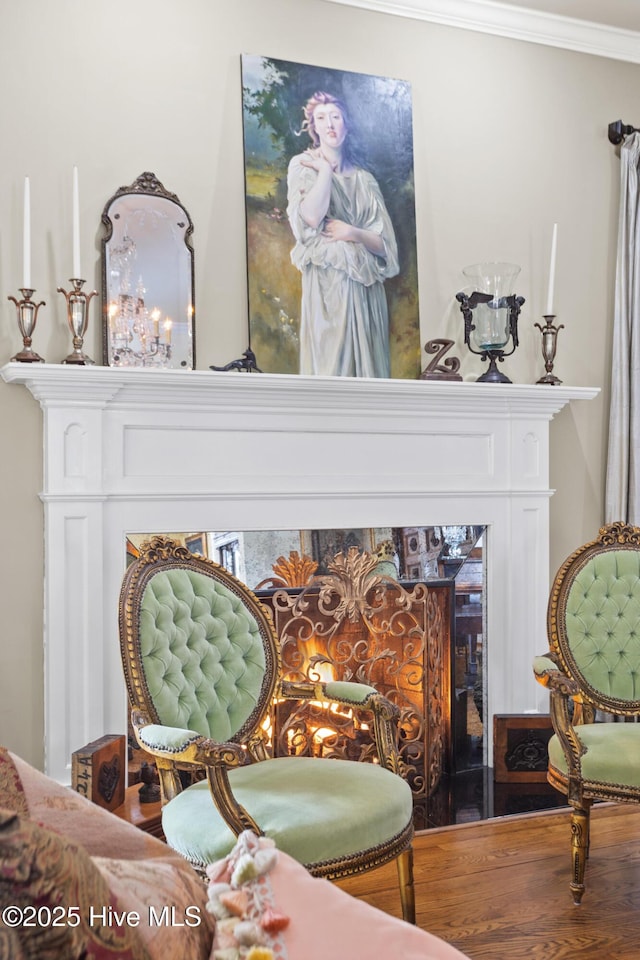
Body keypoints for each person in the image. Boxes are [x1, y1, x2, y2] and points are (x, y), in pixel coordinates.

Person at [286, 91, 399, 377]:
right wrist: (324, 171)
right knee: (330, 372)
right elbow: (311, 216)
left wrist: (353, 232)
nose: (330, 124)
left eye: (336, 117)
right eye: (321, 118)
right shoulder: (304, 166)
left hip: (366, 291)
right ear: (313, 126)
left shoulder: (365, 181)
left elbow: (385, 247)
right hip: (328, 290)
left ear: (346, 124)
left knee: (369, 381)